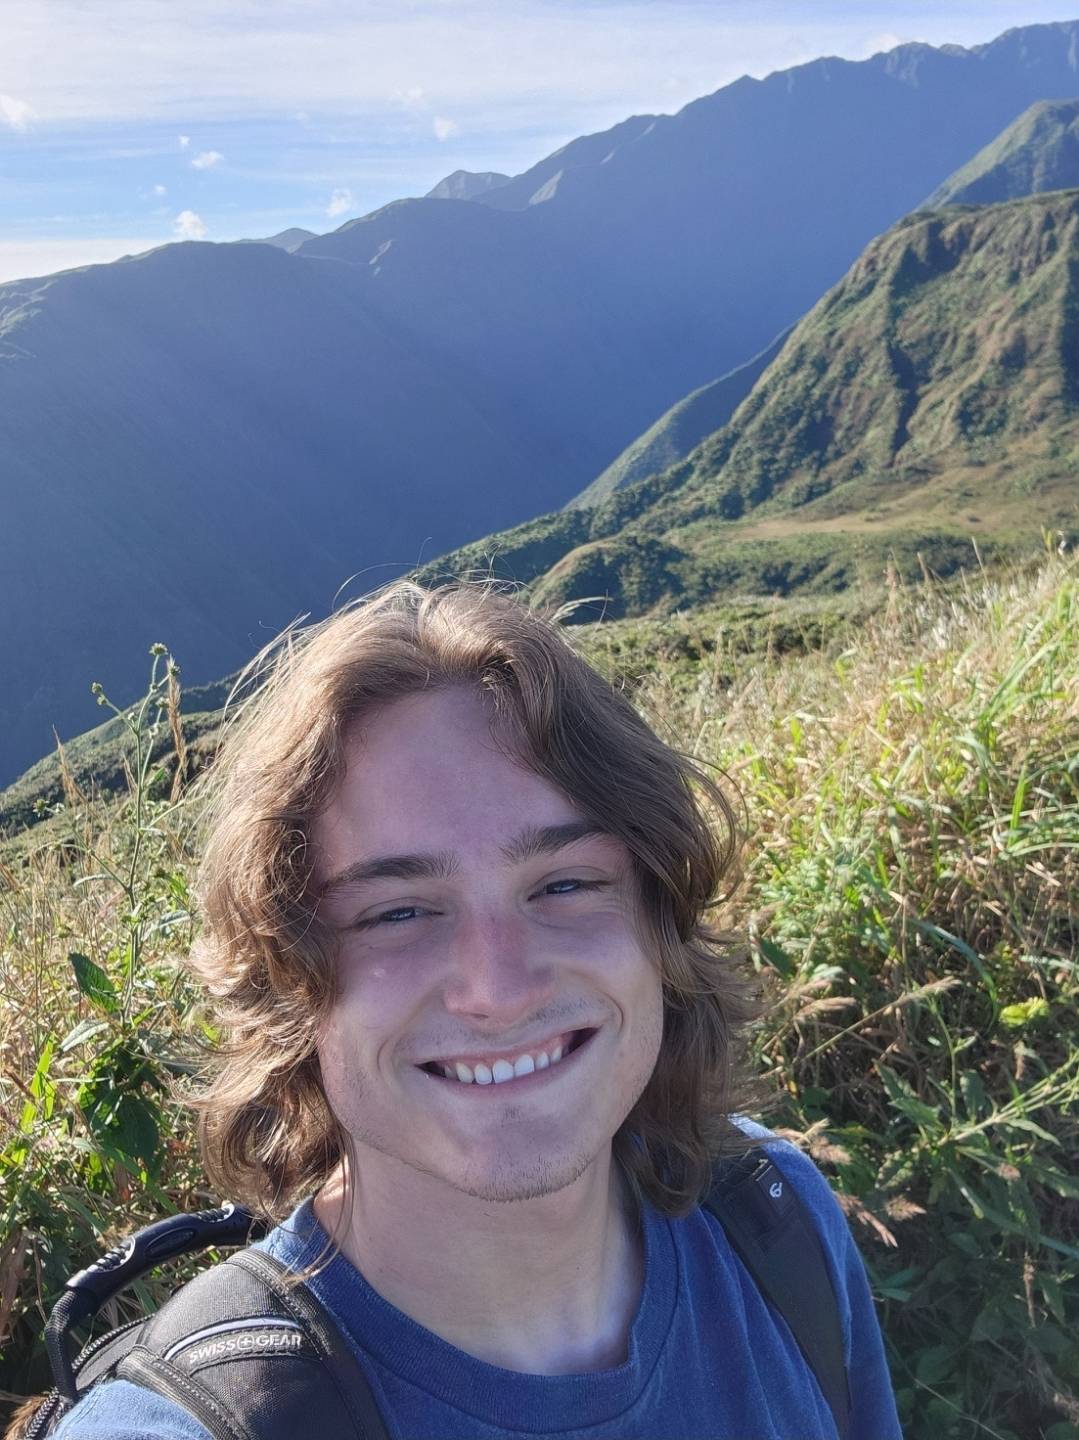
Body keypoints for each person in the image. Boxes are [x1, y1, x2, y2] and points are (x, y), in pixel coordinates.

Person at [51, 580, 901, 1439]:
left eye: (564, 885)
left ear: (659, 919)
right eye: (396, 912)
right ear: (284, 983)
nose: (498, 989)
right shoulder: (187, 1426)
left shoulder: (768, 1215)